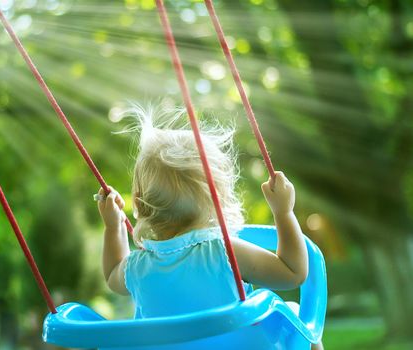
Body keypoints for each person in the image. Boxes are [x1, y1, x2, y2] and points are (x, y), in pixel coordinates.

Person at [96, 105, 322, 349]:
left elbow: (111, 274)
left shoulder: (137, 267)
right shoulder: (225, 254)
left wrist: (113, 226)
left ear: (139, 203)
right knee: (295, 314)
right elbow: (293, 273)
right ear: (219, 196)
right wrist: (283, 212)